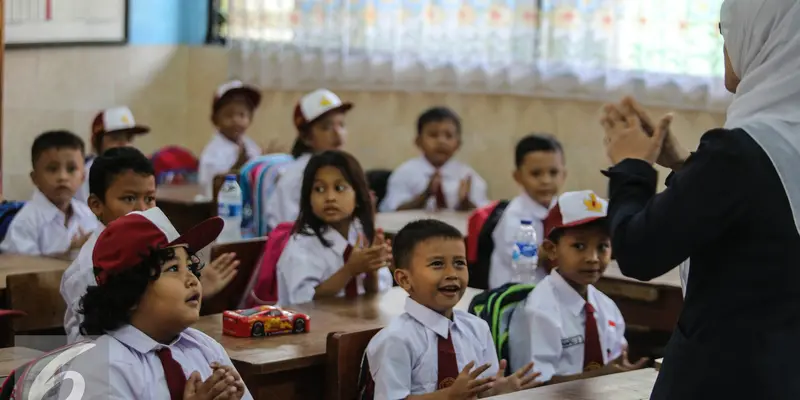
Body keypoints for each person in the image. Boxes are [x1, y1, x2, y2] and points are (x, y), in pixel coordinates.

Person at [598, 1, 800, 398]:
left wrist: (632, 167)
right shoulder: (761, 150)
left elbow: (640, 251)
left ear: (762, 36)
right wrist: (687, 164)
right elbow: (759, 211)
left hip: (721, 378)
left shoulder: (739, 152)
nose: (725, 48)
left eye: (726, 34)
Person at [60, 147, 240, 343]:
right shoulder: (87, 270)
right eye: (129, 198)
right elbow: (90, 343)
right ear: (96, 205)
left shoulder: (159, 246)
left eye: (150, 198)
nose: (143, 209)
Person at [72, 207, 252, 399]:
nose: (192, 279)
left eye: (190, 267)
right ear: (129, 291)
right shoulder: (103, 366)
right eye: (173, 268)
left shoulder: (205, 347)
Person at [363, 219, 540, 399]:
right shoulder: (396, 339)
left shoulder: (478, 328)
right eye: (437, 264)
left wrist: (498, 391)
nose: (452, 274)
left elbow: (480, 390)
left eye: (459, 263)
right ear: (405, 279)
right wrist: (448, 396)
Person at [507, 190, 647, 384]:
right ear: (551, 249)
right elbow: (532, 386)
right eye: (579, 246)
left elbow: (616, 359)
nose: (593, 258)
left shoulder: (606, 307)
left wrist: (624, 371)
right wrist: (597, 378)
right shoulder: (540, 312)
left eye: (602, 246)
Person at [276, 150, 392, 305]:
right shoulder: (301, 245)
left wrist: (372, 269)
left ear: (358, 195)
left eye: (339, 188)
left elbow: (376, 295)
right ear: (308, 198)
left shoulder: (363, 236)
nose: (330, 198)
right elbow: (303, 301)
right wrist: (349, 270)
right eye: (319, 189)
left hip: (357, 324)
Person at [0, 131, 98, 258]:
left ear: (83, 177)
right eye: (52, 169)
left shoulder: (87, 215)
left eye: (71, 169)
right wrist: (67, 255)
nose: (63, 177)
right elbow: (20, 268)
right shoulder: (25, 221)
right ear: (35, 178)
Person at [488, 134, 566, 289]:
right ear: (518, 177)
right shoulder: (514, 216)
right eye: (536, 174)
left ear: (564, 174)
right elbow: (524, 260)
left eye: (553, 173)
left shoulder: (563, 210)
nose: (546, 180)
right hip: (513, 297)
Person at [268, 89, 353, 228]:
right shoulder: (296, 176)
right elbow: (289, 230)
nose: (338, 133)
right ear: (306, 137)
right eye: (326, 127)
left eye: (341, 125)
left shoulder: (343, 168)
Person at [379, 107, 488, 212]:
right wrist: (424, 196)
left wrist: (466, 203)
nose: (441, 141)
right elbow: (393, 209)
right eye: (433, 135)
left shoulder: (468, 177)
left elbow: (484, 214)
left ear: (458, 144)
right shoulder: (405, 173)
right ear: (418, 141)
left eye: (448, 136)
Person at [198, 80, 262, 196]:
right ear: (216, 119)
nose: (236, 120)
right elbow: (210, 189)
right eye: (229, 115)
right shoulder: (212, 153)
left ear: (250, 118)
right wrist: (237, 166)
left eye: (242, 115)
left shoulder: (251, 146)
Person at [76, 106, 150, 202]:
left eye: (129, 138)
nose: (124, 145)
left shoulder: (135, 171)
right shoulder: (88, 174)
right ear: (97, 142)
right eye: (115, 138)